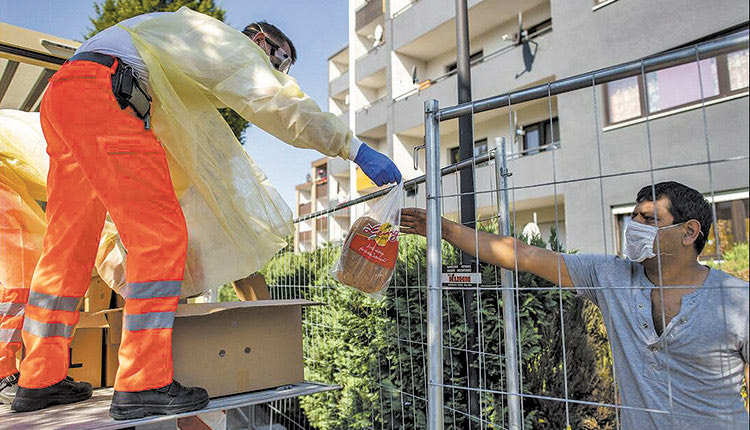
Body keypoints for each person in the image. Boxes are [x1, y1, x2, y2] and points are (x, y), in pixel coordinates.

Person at [10, 8, 401, 419]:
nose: (281, 73)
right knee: (159, 237)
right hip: (110, 95)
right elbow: (281, 104)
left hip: (65, 96)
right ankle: (143, 381)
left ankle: (39, 378)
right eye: (282, 61)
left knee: (67, 246)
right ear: (261, 41)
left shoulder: (177, 44)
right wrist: (353, 149)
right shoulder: (227, 44)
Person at [401, 181, 749, 429]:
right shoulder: (610, 276)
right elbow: (522, 254)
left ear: (689, 233)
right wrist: (443, 229)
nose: (634, 226)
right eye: (634, 216)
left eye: (649, 219)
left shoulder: (738, 300)